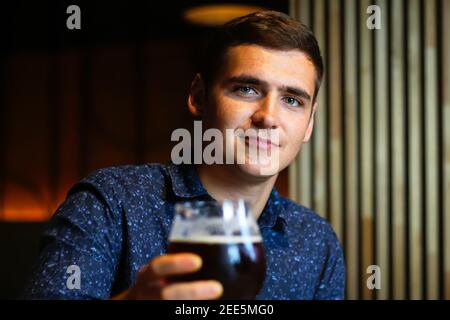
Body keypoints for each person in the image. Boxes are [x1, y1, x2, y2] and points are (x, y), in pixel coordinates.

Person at [23, 10, 345, 300]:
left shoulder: (316, 241)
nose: (268, 116)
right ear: (198, 97)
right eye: (247, 89)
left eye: (292, 100)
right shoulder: (110, 202)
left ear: (309, 124)